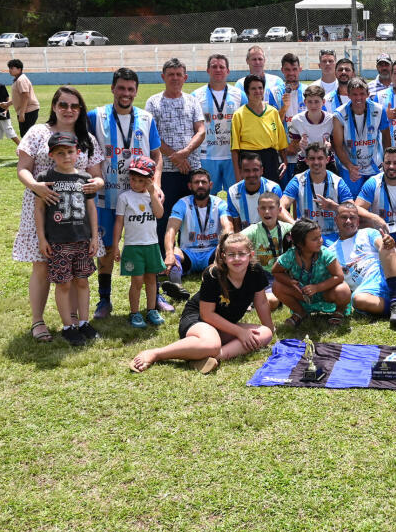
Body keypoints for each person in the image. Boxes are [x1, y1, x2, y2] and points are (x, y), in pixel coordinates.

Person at [15, 87, 105, 344]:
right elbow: (23, 169)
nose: (69, 110)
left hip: (76, 216)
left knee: (78, 271)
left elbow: (97, 173)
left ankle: (75, 320)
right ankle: (38, 321)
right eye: (63, 104)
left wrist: (97, 183)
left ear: (81, 109)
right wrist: (36, 187)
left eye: (74, 106)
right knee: (42, 266)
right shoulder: (37, 133)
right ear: (54, 106)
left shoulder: (86, 137)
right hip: (42, 210)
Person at [129, 232, 275, 374]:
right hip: (198, 320)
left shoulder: (255, 271)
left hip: (224, 325)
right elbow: (207, 315)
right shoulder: (213, 274)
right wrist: (240, 332)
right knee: (212, 344)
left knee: (265, 333)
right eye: (231, 254)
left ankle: (212, 357)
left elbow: (261, 302)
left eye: (242, 254)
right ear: (223, 256)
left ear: (251, 255)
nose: (237, 258)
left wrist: (269, 333)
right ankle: (157, 353)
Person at [88, 67, 163, 320]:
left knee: (149, 242)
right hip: (107, 196)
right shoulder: (95, 117)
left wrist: (157, 184)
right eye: (121, 88)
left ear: (136, 92)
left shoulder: (146, 118)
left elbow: (156, 154)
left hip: (142, 194)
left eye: (131, 89)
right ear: (112, 88)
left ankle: (156, 297)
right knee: (108, 248)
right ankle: (105, 300)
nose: (126, 93)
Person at [34, 131, 100, 345]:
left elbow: (91, 208)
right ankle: (67, 326)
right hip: (58, 242)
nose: (66, 156)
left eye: (70, 152)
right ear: (51, 155)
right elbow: (39, 210)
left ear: (78, 152)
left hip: (82, 240)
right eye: (60, 153)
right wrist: (42, 239)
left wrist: (94, 237)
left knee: (82, 281)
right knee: (63, 284)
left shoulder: (85, 178)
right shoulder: (45, 179)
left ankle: (83, 322)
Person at [144, 58, 207, 261]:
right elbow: (152, 136)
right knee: (165, 214)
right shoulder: (153, 102)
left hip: (192, 168)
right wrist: (175, 157)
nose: (175, 78)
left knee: (192, 214)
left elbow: (201, 130)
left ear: (185, 77)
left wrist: (185, 153)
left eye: (179, 74)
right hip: (166, 171)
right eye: (171, 74)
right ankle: (164, 256)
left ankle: (189, 255)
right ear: (163, 77)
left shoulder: (192, 100)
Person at [331, 202, 396, 328]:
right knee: (357, 300)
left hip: (392, 273)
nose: (348, 221)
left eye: (352, 218)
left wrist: (388, 242)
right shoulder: (331, 252)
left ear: (358, 221)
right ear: (336, 220)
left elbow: (381, 244)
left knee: (386, 246)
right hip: (370, 290)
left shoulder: (367, 233)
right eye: (343, 217)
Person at [111, 156, 166, 329]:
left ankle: (151, 310)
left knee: (151, 280)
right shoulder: (124, 198)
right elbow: (119, 223)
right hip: (133, 247)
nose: (135, 183)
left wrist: (152, 192)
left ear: (149, 180)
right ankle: (134, 313)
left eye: (141, 180)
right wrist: (115, 246)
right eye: (133, 179)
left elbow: (159, 214)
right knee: (136, 281)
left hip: (151, 245)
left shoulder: (153, 196)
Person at [271, 219, 352, 326]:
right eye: (314, 239)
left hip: (326, 292)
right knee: (277, 286)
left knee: (344, 290)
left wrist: (317, 288)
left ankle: (339, 311)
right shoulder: (290, 256)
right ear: (300, 243)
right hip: (302, 293)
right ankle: (300, 312)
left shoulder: (325, 254)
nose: (320, 241)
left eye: (320, 236)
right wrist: (290, 282)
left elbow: (339, 276)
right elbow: (276, 272)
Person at [161, 168, 224, 300]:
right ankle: (177, 287)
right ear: (190, 186)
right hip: (188, 253)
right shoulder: (182, 203)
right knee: (175, 252)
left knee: (225, 255)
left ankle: (218, 284)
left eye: (203, 182)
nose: (200, 185)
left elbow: (228, 228)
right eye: (196, 182)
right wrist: (169, 253)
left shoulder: (220, 203)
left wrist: (223, 248)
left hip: (212, 253)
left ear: (210, 185)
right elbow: (171, 229)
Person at [192, 54, 246, 193]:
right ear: (207, 70)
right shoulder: (196, 96)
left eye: (222, 67)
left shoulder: (239, 95)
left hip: (232, 156)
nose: (218, 70)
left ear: (228, 71)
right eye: (214, 66)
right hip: (206, 156)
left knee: (236, 196)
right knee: (206, 197)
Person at [281, 142, 353, 245]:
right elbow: (280, 207)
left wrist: (334, 207)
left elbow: (352, 210)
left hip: (334, 235)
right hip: (307, 235)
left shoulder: (338, 182)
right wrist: (295, 225)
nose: (316, 162)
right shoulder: (297, 180)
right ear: (306, 161)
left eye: (320, 158)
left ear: (327, 160)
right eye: (312, 158)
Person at [331, 77, 391, 196]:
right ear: (348, 95)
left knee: (375, 202)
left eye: (362, 94)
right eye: (354, 94)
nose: (358, 98)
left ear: (368, 94)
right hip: (350, 166)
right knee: (351, 204)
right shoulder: (339, 114)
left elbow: (386, 138)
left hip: (374, 166)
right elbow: (338, 146)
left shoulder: (379, 110)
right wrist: (350, 167)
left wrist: (387, 161)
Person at [239, 191, 293, 311]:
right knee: (272, 300)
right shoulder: (254, 230)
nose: (267, 212)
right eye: (263, 208)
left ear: (279, 210)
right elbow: (234, 241)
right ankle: (251, 299)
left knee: (275, 300)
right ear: (258, 211)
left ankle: (253, 300)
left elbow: (308, 234)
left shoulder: (288, 229)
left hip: (283, 275)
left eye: (271, 208)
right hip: (261, 276)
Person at [231, 74, 288, 184]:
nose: (257, 91)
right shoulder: (239, 114)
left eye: (260, 88)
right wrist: (238, 176)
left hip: (270, 159)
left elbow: (281, 142)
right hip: (249, 159)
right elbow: (235, 149)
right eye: (253, 88)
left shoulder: (273, 112)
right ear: (247, 91)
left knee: (271, 195)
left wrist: (284, 161)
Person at [221, 153, 289, 234]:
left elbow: (278, 217)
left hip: (269, 235)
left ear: (262, 170)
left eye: (255, 170)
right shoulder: (233, 191)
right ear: (241, 172)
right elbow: (236, 224)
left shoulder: (273, 188)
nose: (251, 174)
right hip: (245, 237)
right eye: (247, 170)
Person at [275, 52, 309, 186]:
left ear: (300, 69)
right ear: (282, 70)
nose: (291, 73)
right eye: (287, 69)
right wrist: (284, 107)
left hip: (304, 154)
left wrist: (295, 145)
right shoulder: (273, 92)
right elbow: (272, 123)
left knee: (301, 197)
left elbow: (312, 121)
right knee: (282, 196)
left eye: (294, 69)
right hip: (282, 155)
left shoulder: (308, 91)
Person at [288, 84, 334, 174]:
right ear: (305, 102)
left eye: (317, 101)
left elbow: (338, 145)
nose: (313, 105)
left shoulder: (331, 119)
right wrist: (299, 145)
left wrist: (330, 146)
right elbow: (292, 148)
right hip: (305, 162)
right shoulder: (297, 120)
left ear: (323, 102)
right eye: (310, 102)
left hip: (326, 162)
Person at [8, 59, 40, 138]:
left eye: (12, 68)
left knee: (26, 135)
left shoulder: (21, 80)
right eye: (9, 68)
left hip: (28, 111)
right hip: (26, 110)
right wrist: (8, 104)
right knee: (26, 135)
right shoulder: (18, 79)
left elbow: (25, 96)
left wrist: (22, 113)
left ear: (19, 69)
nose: (10, 70)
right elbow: (20, 96)